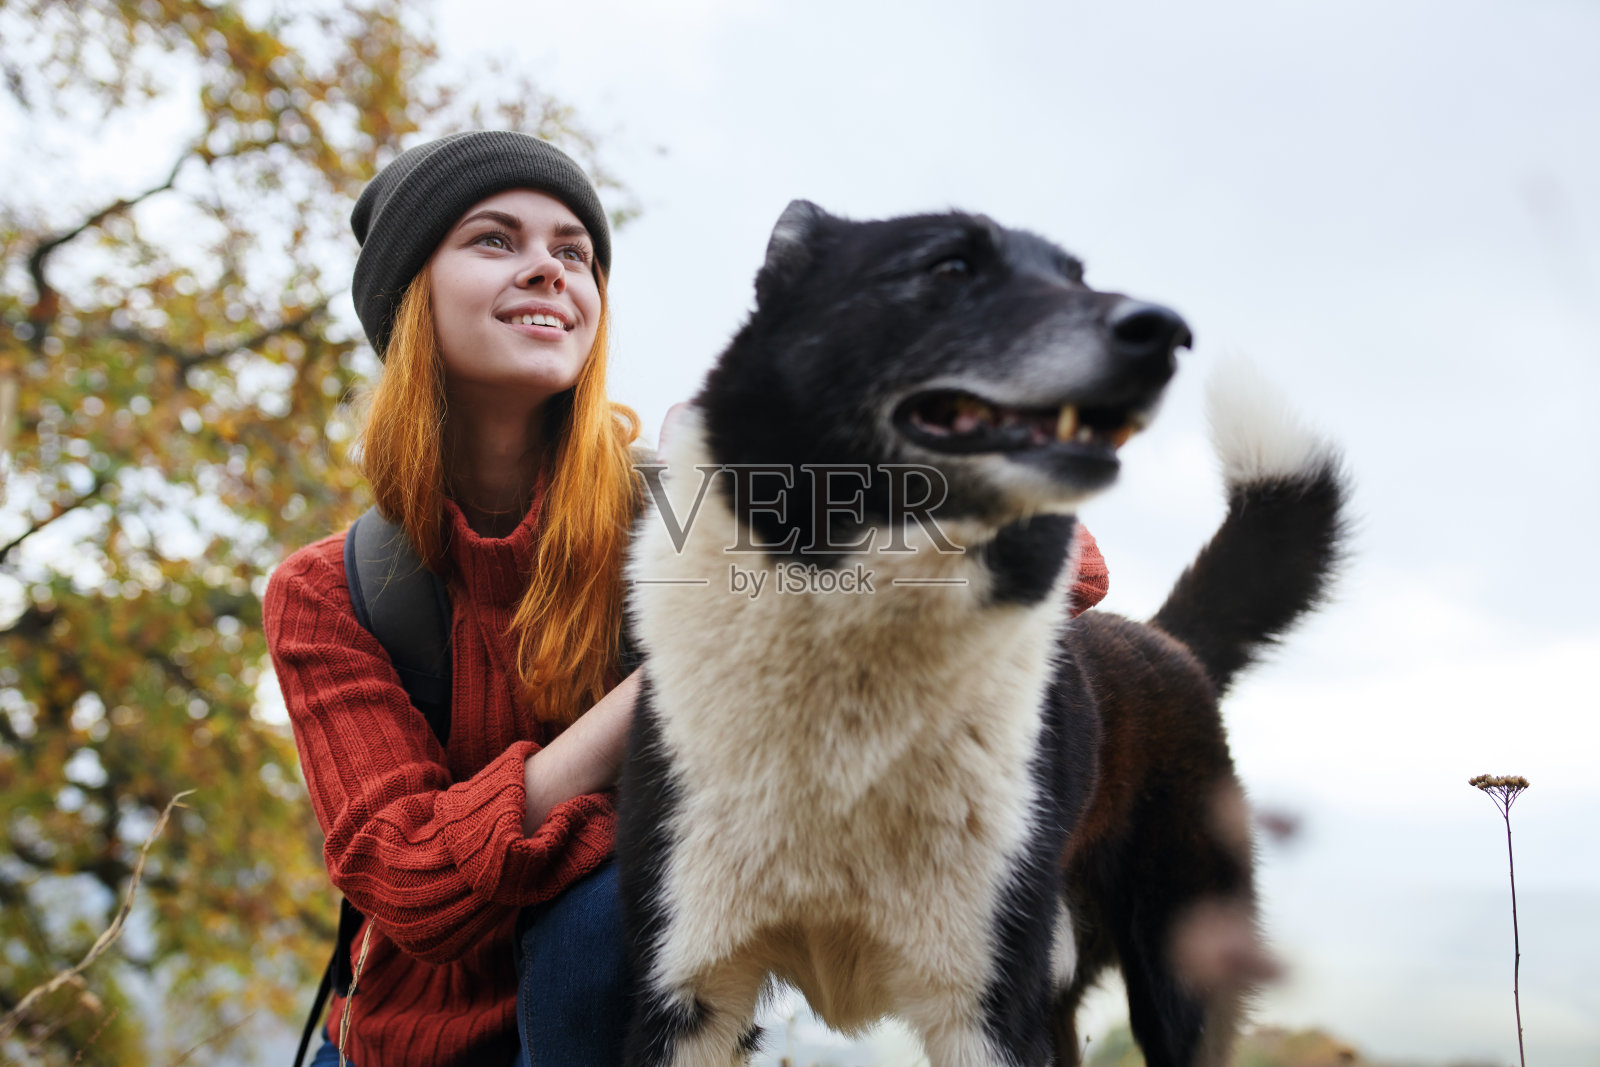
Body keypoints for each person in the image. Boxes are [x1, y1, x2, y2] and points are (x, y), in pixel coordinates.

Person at [264, 130, 1114, 1067]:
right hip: (396, 1050)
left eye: (575, 252)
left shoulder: (680, 501)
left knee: (614, 902)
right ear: (408, 299)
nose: (550, 269)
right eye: (494, 240)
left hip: (642, 1031)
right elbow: (413, 883)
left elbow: (1070, 560)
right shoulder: (330, 590)